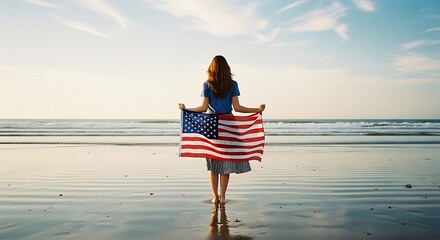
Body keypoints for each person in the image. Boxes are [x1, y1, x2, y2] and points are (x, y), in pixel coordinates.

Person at [178, 55, 265, 204]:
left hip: (211, 124)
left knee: (213, 162)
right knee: (226, 162)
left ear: (211, 69)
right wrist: (256, 110)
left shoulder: (207, 84)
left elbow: (203, 108)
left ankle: (215, 197)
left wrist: (186, 109)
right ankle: (223, 197)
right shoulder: (233, 84)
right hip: (228, 124)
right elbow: (237, 108)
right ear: (227, 69)